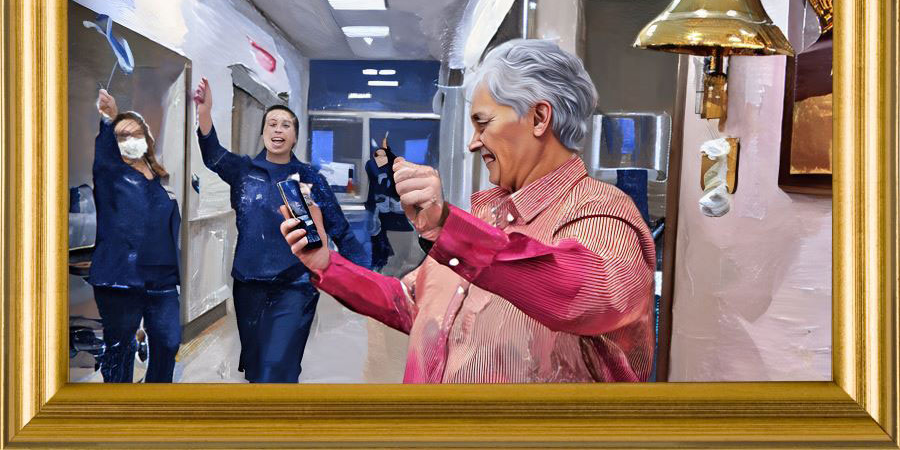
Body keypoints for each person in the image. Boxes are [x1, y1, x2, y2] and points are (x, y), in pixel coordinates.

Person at [281, 39, 656, 383]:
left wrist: (447, 225)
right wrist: (326, 264)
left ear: (540, 118)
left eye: (483, 123)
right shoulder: (485, 221)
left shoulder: (604, 214)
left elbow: (584, 294)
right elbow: (408, 303)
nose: (474, 143)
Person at [193, 77, 366, 383]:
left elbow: (340, 229)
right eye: (272, 124)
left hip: (296, 285)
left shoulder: (310, 178)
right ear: (262, 133)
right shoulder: (243, 170)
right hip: (249, 283)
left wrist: (366, 277)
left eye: (286, 125)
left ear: (295, 137)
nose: (278, 130)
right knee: (257, 367)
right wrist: (204, 114)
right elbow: (213, 156)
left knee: (279, 366)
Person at [89, 89, 182, 383]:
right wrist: (109, 118)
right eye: (122, 136)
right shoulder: (110, 173)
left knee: (168, 343)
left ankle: (155, 399)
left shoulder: (160, 178)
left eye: (136, 134)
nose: (130, 140)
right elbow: (104, 151)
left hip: (162, 278)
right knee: (120, 350)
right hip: (122, 278)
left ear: (147, 138)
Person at [363, 135, 413, 271]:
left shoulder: (402, 170)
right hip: (382, 219)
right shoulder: (372, 167)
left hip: (399, 221)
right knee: (382, 254)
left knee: (397, 257)